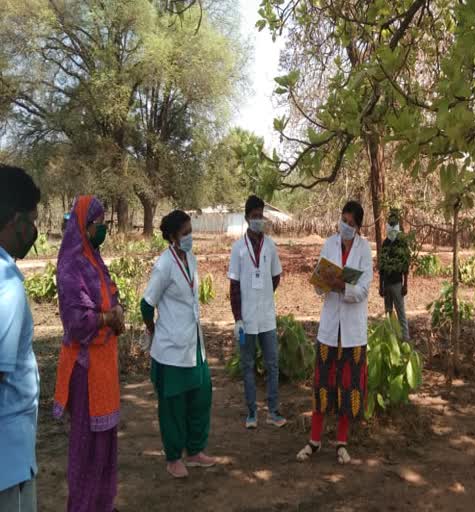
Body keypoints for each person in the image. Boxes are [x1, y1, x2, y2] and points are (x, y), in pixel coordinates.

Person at [53, 196, 124, 512]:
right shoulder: (72, 266)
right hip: (84, 370)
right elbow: (77, 321)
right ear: (84, 226)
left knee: (105, 445)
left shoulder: (95, 259)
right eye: (99, 224)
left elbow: (111, 296)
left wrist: (116, 311)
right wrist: (110, 318)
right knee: (86, 447)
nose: (103, 229)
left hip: (104, 366)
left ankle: (102, 504)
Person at [297, 201, 373, 465]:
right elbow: (319, 288)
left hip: (352, 331)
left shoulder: (364, 251)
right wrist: (322, 282)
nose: (346, 227)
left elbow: (363, 291)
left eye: (351, 224)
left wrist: (342, 286)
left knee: (348, 386)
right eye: (343, 221)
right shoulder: (329, 244)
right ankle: (314, 441)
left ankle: (341, 443)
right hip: (330, 328)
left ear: (358, 227)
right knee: (322, 385)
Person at [141, 210, 215, 479]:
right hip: (171, 347)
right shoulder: (164, 266)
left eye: (190, 231)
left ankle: (195, 451)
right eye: (185, 233)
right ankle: (173, 458)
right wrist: (154, 331)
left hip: (193, 342)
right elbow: (146, 305)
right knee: (173, 405)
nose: (190, 237)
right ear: (172, 236)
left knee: (201, 395)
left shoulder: (190, 259)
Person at [0, 165, 41, 512]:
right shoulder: (7, 284)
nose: (35, 230)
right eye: (32, 219)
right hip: (8, 454)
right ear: (15, 220)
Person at [228, 195, 286, 429]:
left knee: (273, 365)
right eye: (254, 217)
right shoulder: (238, 248)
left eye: (260, 216)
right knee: (248, 365)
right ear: (246, 218)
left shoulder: (270, 245)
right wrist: (238, 318)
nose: (258, 220)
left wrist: (263, 297)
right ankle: (252, 412)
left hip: (267, 318)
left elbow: (276, 276)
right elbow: (233, 286)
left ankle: (273, 411)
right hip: (247, 320)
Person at [378, 210, 410, 340]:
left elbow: (405, 265)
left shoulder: (402, 242)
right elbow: (382, 266)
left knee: (401, 312)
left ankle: (405, 338)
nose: (391, 226)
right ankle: (391, 340)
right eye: (389, 223)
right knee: (388, 312)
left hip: (397, 283)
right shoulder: (385, 243)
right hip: (386, 283)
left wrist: (405, 284)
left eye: (393, 223)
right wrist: (381, 285)